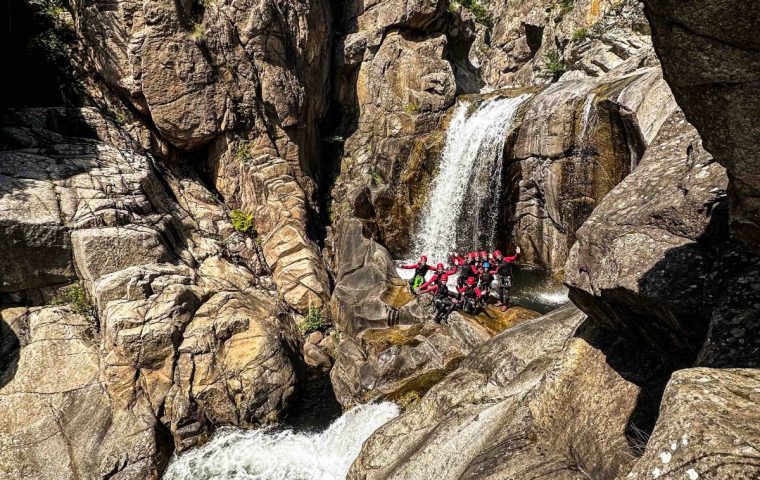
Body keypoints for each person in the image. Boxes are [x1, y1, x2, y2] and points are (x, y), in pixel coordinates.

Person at [492, 246, 520, 311]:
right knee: (500, 290)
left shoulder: (506, 259)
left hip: (507, 277)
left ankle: (505, 305)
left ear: (501, 254)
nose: (498, 257)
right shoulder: (497, 260)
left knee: (506, 292)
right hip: (501, 277)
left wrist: (517, 253)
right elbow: (495, 264)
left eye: (499, 255)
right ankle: (501, 301)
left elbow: (513, 258)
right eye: (497, 256)